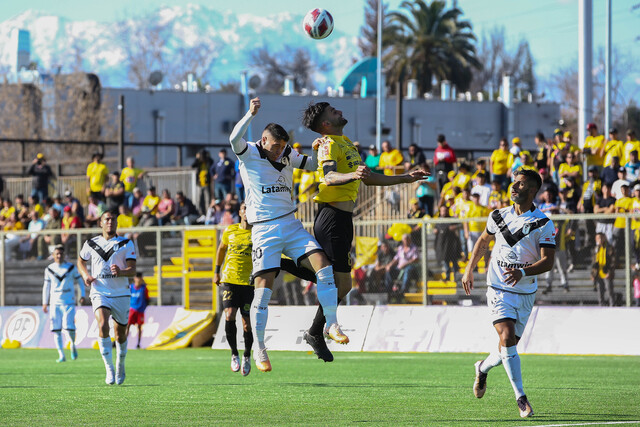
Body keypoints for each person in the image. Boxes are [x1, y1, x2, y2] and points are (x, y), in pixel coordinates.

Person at [288, 100, 427, 363]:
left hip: (342, 219)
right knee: (336, 281)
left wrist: (405, 178)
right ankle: (287, 269)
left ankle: (315, 331)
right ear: (326, 124)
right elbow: (328, 177)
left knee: (340, 282)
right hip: (331, 218)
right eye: (333, 111)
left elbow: (368, 176)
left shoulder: (345, 142)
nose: (339, 110)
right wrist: (352, 175)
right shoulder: (328, 144)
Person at [229, 97, 348, 372]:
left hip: (291, 224)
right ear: (263, 140)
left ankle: (331, 324)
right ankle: (259, 348)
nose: (279, 151)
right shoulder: (247, 152)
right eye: (275, 146)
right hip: (264, 230)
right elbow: (233, 137)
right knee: (263, 292)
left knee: (324, 267)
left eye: (283, 147)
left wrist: (317, 149)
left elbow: (309, 164)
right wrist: (249, 113)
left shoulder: (285, 153)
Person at [462, 168, 556, 418]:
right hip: (497, 288)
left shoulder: (543, 223)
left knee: (508, 346)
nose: (514, 187)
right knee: (506, 335)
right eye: (514, 183)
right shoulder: (497, 216)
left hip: (524, 292)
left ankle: (482, 367)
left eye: (521, 185)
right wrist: (469, 269)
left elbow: (548, 262)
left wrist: (522, 273)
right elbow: (483, 242)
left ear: (533, 191)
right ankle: (521, 398)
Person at [77, 210, 137, 385]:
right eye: (107, 219)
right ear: (100, 223)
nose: (110, 222)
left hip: (121, 293)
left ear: (117, 223)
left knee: (120, 335)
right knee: (102, 325)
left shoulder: (126, 243)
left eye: (113, 219)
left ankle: (120, 364)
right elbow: (81, 261)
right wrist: (85, 276)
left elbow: (132, 270)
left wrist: (121, 271)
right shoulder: (91, 243)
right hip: (99, 291)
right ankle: (109, 369)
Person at [213, 202, 254, 376]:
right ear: (240, 212)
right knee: (229, 315)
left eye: (250, 208)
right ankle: (234, 353)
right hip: (229, 279)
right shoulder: (230, 230)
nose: (247, 211)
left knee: (246, 323)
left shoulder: (258, 233)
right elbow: (221, 249)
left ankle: (246, 355)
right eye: (245, 208)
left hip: (249, 282)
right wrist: (216, 271)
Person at [42, 245, 86, 362]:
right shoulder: (49, 269)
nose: (59, 256)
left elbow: (80, 281)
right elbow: (46, 286)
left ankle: (72, 344)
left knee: (69, 328)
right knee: (56, 329)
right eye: (57, 254)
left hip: (68, 301)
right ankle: (61, 354)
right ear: (53, 255)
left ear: (64, 255)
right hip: (54, 303)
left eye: (61, 253)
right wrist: (44, 302)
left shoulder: (70, 268)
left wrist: (82, 295)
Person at [592, 232, 615, 307]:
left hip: (606, 273)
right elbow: (594, 262)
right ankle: (601, 305)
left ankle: (612, 305)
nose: (600, 239)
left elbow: (612, 261)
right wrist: (593, 274)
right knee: (600, 291)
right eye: (598, 238)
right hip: (598, 273)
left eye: (601, 238)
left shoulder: (609, 248)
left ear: (604, 238)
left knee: (609, 291)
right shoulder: (596, 248)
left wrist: (609, 272)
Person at [126, 273, 149, 349]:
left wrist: (144, 307)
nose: (138, 280)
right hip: (132, 309)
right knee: (128, 325)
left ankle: (138, 343)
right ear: (134, 278)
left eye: (140, 278)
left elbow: (147, 299)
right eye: (137, 278)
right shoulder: (131, 287)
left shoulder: (144, 288)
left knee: (139, 327)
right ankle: (124, 342)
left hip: (140, 311)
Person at [192, 149, 213, 215]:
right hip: (200, 184)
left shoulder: (208, 161)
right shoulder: (199, 162)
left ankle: (208, 213)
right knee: (199, 200)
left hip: (207, 183)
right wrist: (197, 158)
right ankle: (201, 213)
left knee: (207, 200)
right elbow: (193, 165)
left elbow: (211, 162)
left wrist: (208, 156)